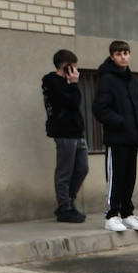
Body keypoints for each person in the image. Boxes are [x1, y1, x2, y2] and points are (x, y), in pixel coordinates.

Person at [92, 40, 138, 232]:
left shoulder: (132, 80)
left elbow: (137, 109)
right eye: (118, 54)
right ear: (112, 56)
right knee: (116, 178)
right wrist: (120, 122)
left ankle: (127, 214)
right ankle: (111, 216)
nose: (123, 57)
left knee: (129, 178)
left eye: (126, 53)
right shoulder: (107, 79)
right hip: (116, 139)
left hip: (131, 138)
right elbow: (99, 109)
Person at [42, 48, 88, 223]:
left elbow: (76, 104)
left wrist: (72, 84)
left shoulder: (67, 84)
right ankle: (64, 207)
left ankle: (68, 201)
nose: (76, 71)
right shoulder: (51, 82)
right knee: (64, 171)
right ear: (66, 66)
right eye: (73, 67)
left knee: (82, 167)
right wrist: (74, 83)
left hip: (77, 132)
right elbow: (71, 102)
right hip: (64, 132)